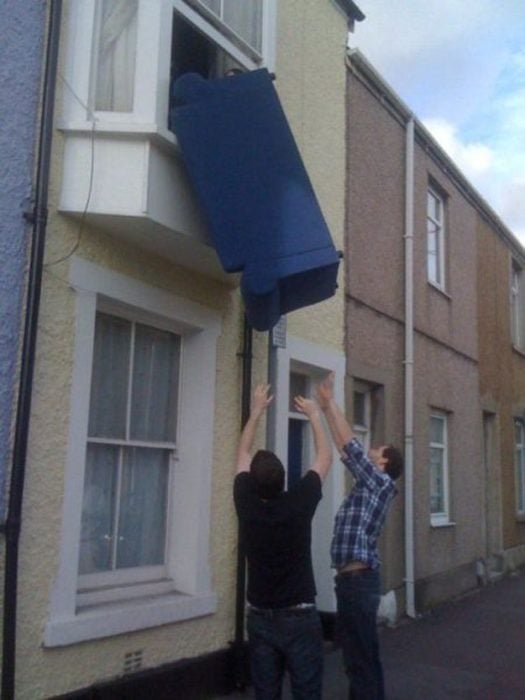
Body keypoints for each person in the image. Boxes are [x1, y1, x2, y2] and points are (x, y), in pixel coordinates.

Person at [233, 383, 332, 700]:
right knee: (306, 692)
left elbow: (242, 453)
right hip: (300, 617)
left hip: (260, 617)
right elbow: (325, 457)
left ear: (253, 482)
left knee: (266, 693)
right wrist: (315, 415)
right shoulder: (298, 503)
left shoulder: (246, 505)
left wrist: (257, 410)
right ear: (283, 479)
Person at [315, 373, 403, 700]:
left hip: (358, 582)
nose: (370, 451)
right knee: (361, 658)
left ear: (384, 463)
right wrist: (325, 411)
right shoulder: (368, 486)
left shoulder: (379, 484)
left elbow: (350, 444)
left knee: (359, 660)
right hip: (352, 582)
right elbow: (347, 448)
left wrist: (329, 404)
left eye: (376, 450)